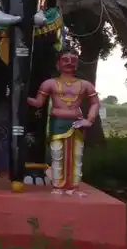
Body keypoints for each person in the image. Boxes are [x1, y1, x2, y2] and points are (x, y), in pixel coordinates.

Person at [27, 47, 100, 196]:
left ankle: (74, 187)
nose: (69, 63)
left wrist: (89, 120)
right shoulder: (50, 84)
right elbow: (38, 103)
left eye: (73, 60)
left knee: (76, 156)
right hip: (57, 122)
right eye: (65, 60)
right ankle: (58, 186)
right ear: (58, 64)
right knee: (57, 154)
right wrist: (21, 95)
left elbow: (95, 103)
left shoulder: (85, 85)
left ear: (77, 64)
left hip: (77, 122)